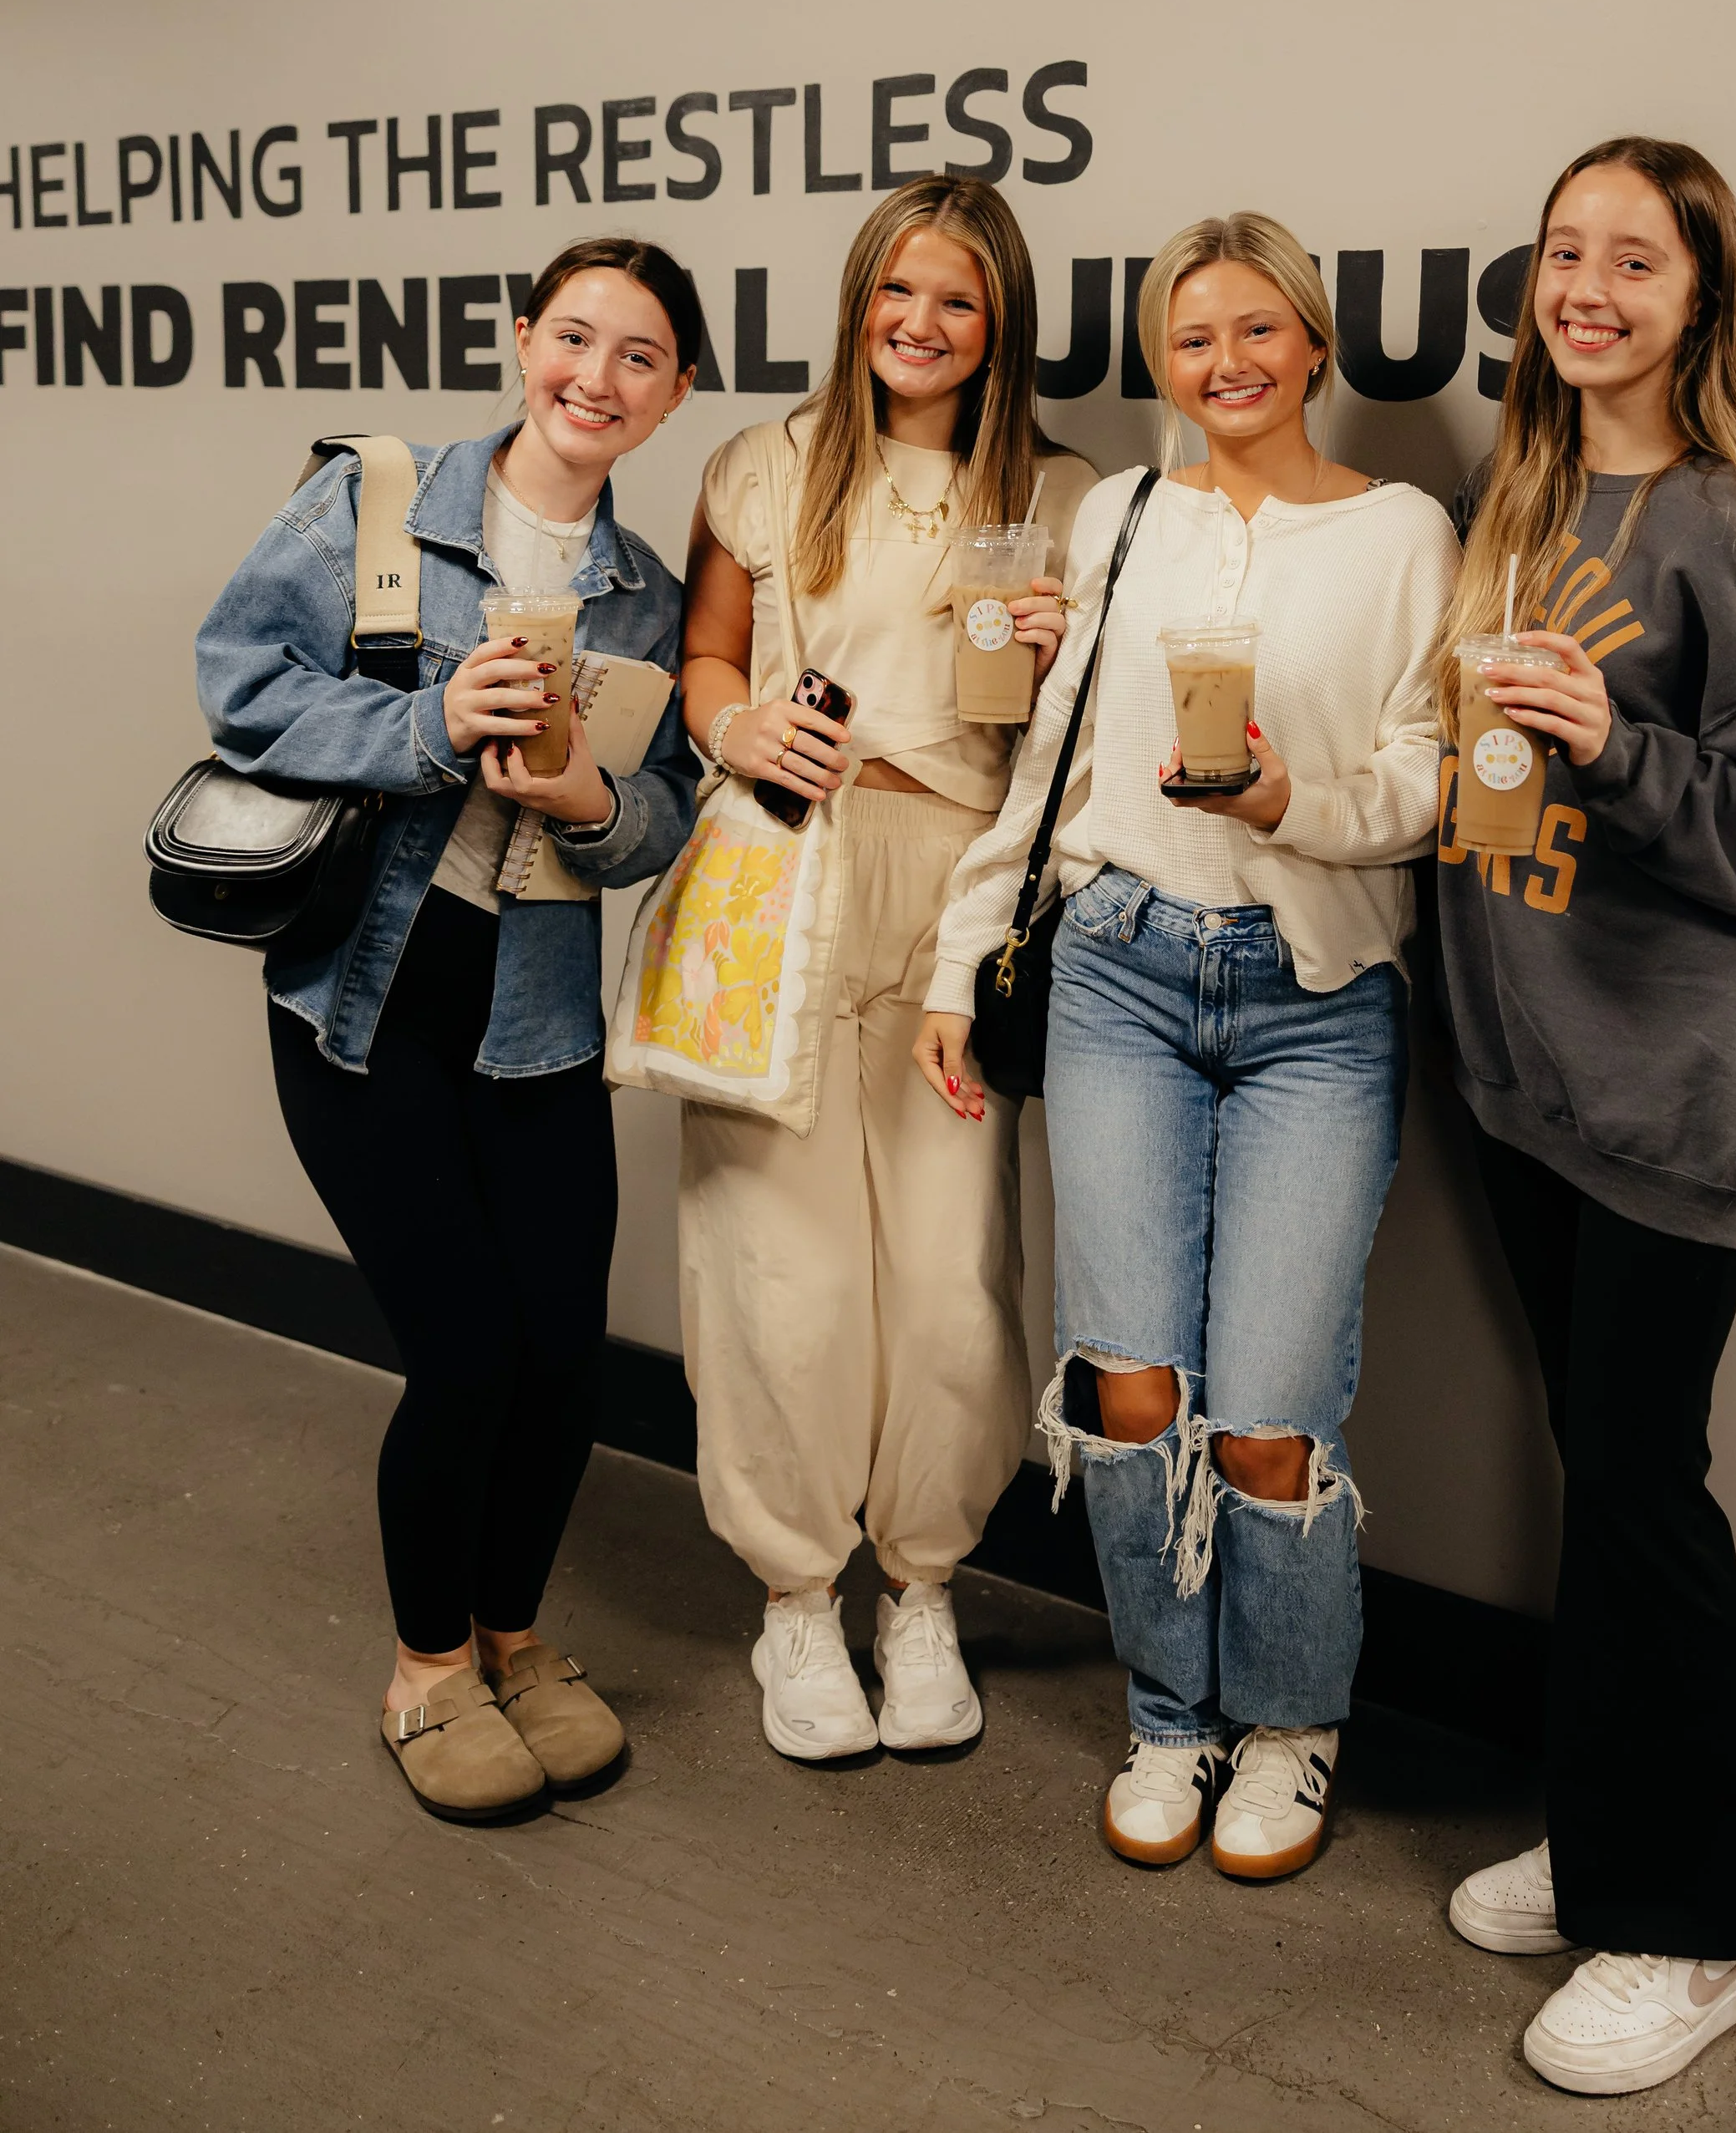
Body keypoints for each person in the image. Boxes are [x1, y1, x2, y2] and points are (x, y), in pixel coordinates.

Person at [917, 212, 1459, 1878]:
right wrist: (959, 960)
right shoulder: (1116, 520)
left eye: (1253, 331)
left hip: (1315, 997)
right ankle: (1171, 1714)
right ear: (1162, 362)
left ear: (1310, 343)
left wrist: (1297, 802)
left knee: (1274, 1414)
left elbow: (1433, 773)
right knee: (1133, 1387)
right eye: (1188, 337)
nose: (1222, 363)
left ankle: (1288, 1728)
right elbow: (1045, 768)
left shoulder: (1401, 533)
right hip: (1115, 972)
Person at [1434, 138, 1736, 2097]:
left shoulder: (1729, 526)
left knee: (1639, 1494)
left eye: (1637, 259)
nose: (1588, 284)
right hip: (1533, 1089)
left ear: (1701, 301)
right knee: (1596, 1488)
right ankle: (1612, 1833)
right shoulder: (1525, 498)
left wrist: (1619, 750)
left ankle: (1697, 1927)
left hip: (1675, 1107)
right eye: (1564, 250)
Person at [195, 236, 706, 1823]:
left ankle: (517, 1635)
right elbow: (238, 683)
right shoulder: (377, 500)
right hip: (364, 1001)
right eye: (573, 337)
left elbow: (665, 818)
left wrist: (596, 800)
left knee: (562, 1360)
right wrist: (427, 724)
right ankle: (429, 1667)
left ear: (676, 390)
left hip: (534, 1016)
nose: (596, 378)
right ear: (520, 339)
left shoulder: (648, 597)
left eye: (639, 356)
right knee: (469, 1351)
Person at [678, 176, 1096, 1761]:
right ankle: (797, 1600)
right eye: (896, 294)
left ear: (1004, 327)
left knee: (946, 1279)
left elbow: (1077, 740)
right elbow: (712, 652)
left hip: (962, 896)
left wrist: (1068, 659)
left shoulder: (1067, 497)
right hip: (778, 871)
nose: (920, 327)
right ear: (857, 300)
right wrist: (733, 719)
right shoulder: (766, 465)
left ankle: (923, 1589)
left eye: (959, 302)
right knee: (780, 1270)